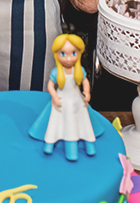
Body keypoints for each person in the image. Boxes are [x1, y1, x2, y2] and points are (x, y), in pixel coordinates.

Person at [28, 33, 100, 161]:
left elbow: (85, 82)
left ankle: (89, 145)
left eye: (73, 53)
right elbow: (51, 85)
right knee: (57, 123)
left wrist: (87, 92)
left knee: (83, 123)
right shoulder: (56, 72)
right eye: (63, 54)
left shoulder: (79, 71)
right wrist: (54, 96)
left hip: (76, 100)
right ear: (57, 54)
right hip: (61, 100)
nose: (68, 58)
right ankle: (50, 144)